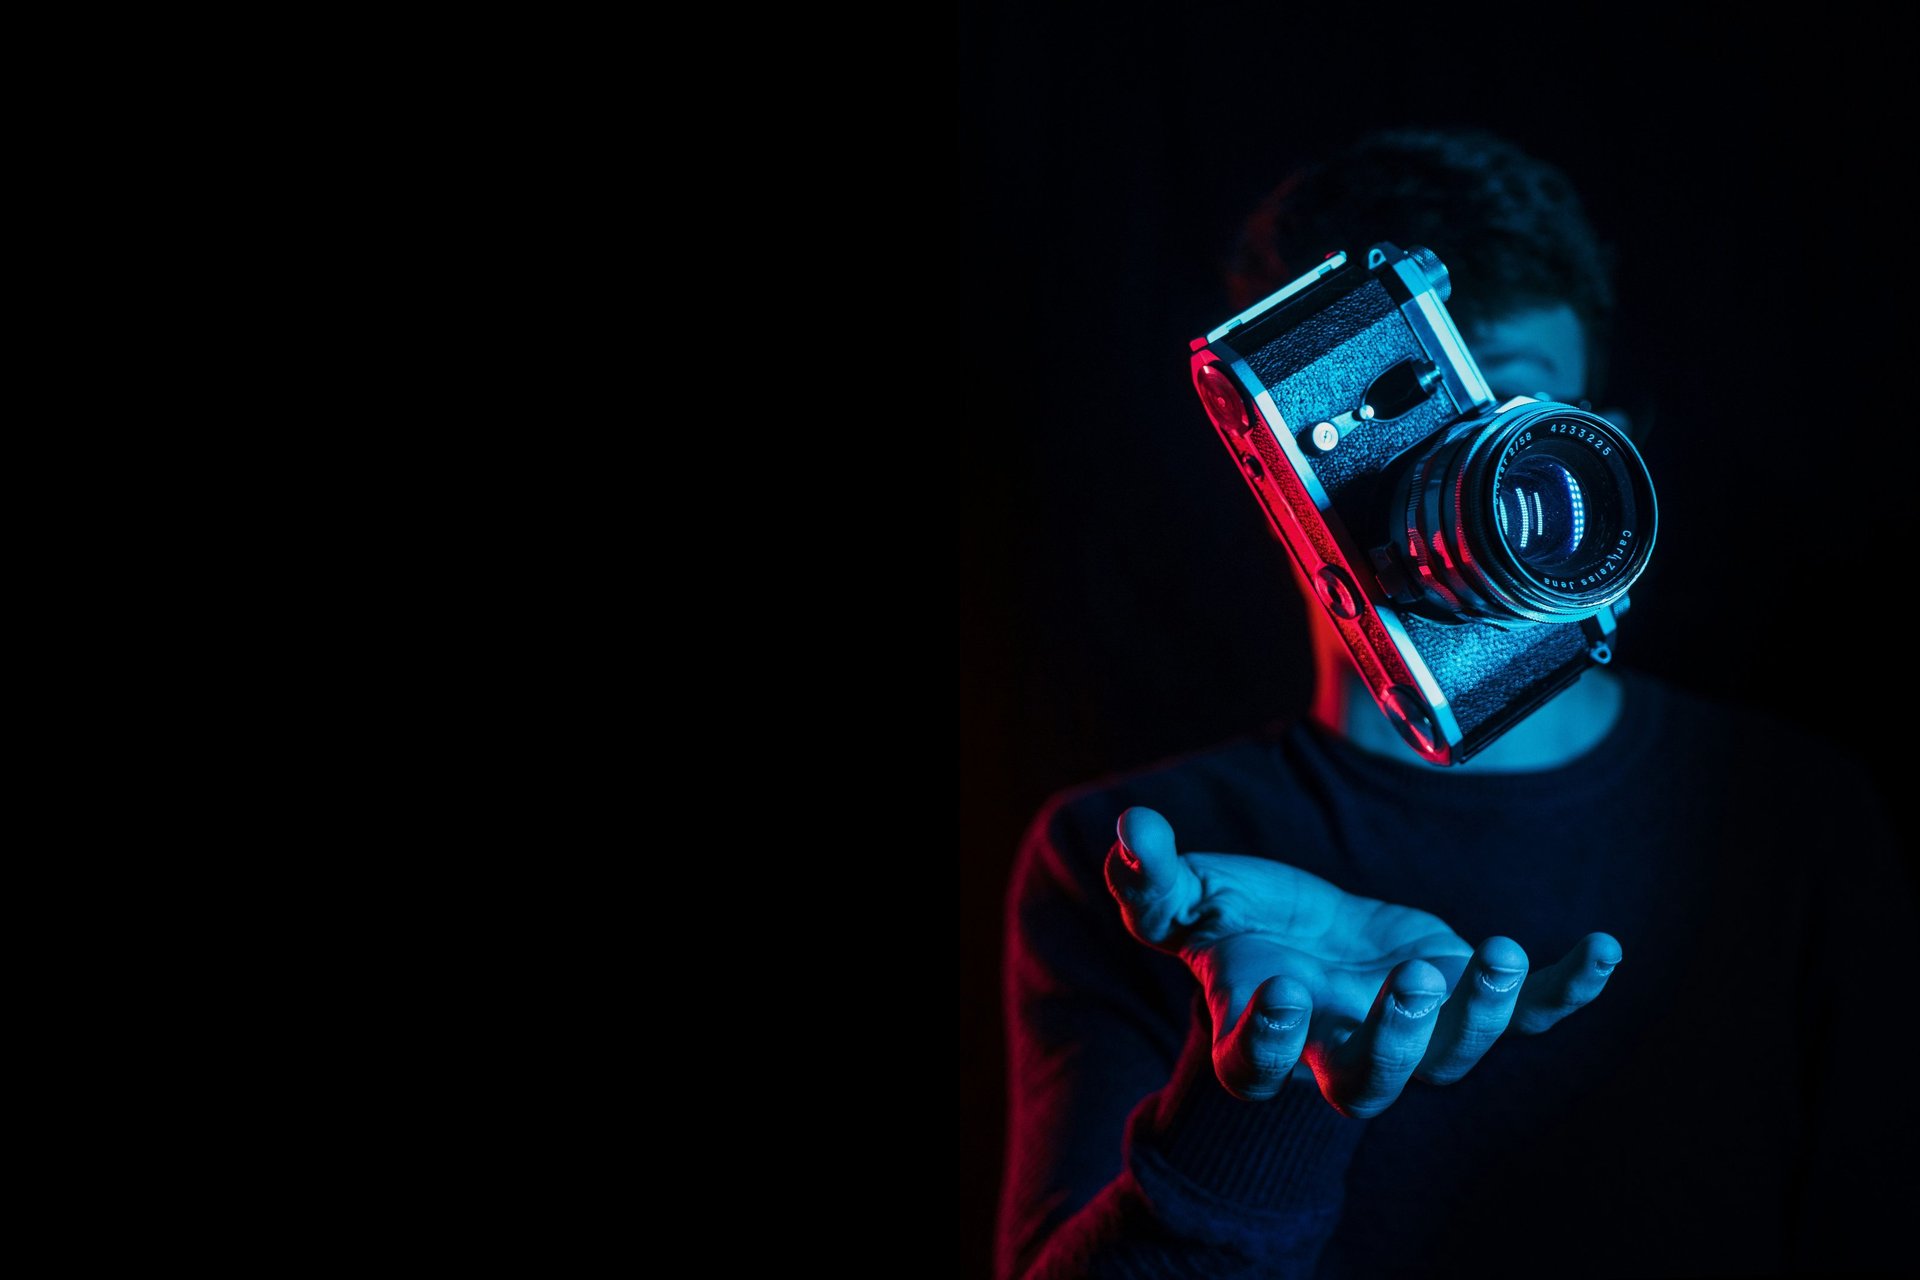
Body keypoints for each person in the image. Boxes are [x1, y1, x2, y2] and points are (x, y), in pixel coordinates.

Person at [994, 128, 1918, 1279]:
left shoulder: (1784, 815)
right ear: (1272, 464)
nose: (1485, 480)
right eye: (1412, 419)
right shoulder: (1140, 867)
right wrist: (1259, 1092)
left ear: (1609, 443)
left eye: (1518, 418)